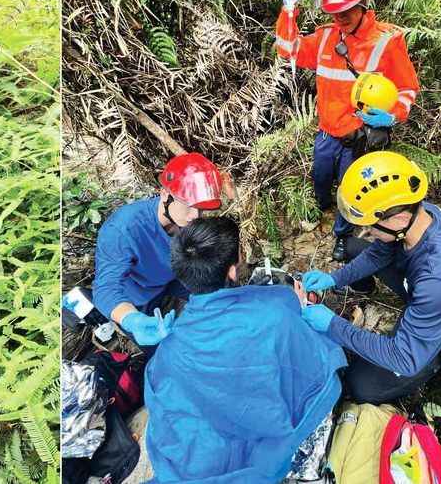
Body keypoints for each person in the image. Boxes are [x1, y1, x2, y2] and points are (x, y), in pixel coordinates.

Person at [143, 217, 346, 483]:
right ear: (231, 271)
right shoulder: (276, 314)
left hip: (203, 458)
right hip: (265, 443)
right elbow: (312, 367)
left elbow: (168, 409)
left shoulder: (167, 348)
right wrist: (301, 307)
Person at [300, 151, 441, 406]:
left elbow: (404, 358)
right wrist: (334, 279)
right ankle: (368, 291)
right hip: (423, 289)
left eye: (371, 225)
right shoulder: (423, 214)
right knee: (353, 247)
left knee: (361, 386)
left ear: (400, 218)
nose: (366, 230)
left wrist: (333, 325)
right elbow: (377, 254)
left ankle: (435, 364)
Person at [274, 0, 420, 261]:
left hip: (359, 139)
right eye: (334, 11)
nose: (339, 17)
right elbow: (288, 48)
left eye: (346, 10)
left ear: (363, 0)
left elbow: (408, 89)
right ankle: (321, 205)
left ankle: (341, 235)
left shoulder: (387, 42)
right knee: (321, 177)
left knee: (350, 189)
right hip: (326, 134)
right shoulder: (326, 36)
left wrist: (392, 115)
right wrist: (288, 6)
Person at [91, 152, 230, 349]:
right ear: (165, 195)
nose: (195, 216)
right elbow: (105, 288)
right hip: (136, 297)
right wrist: (132, 320)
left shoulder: (190, 222)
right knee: (156, 348)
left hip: (173, 279)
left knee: (218, 302)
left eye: (201, 209)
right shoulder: (123, 230)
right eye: (188, 206)